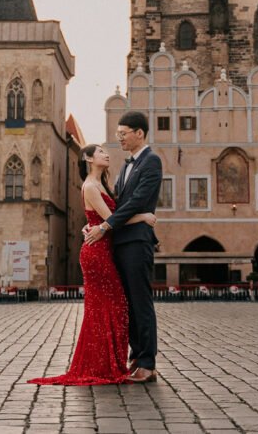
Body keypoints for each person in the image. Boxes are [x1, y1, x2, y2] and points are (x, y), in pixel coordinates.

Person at [29, 144, 157, 386]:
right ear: (88, 158)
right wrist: (143, 216)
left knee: (110, 306)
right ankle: (102, 364)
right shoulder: (89, 185)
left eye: (105, 151)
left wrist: (92, 224)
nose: (106, 154)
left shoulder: (102, 185)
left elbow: (106, 217)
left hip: (105, 249)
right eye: (100, 151)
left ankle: (108, 363)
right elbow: (112, 218)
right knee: (111, 306)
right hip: (97, 253)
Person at [84, 110, 162, 383]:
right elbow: (116, 205)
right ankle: (135, 356)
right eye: (117, 134)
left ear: (139, 133)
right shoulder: (127, 165)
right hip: (120, 241)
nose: (119, 139)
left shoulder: (151, 162)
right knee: (126, 303)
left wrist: (104, 227)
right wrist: (93, 223)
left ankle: (147, 363)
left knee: (140, 302)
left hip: (136, 241)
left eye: (123, 134)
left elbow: (136, 202)